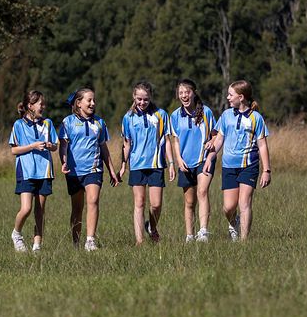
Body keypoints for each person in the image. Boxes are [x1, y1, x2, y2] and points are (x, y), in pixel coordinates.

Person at [204, 80, 271, 241]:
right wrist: (210, 158)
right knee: (228, 208)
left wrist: (266, 170)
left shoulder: (256, 118)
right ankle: (233, 223)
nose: (227, 97)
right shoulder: (226, 115)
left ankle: (244, 242)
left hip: (249, 165)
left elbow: (262, 145)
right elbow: (219, 139)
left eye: (230, 95)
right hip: (229, 166)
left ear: (241, 97)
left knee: (244, 203)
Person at [59, 87, 120, 251]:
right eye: (89, 100)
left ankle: (90, 240)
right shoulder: (67, 122)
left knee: (93, 201)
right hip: (74, 171)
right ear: (79, 103)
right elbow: (63, 146)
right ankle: (76, 243)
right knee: (77, 208)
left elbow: (104, 148)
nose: (93, 103)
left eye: (94, 100)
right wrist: (63, 162)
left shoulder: (99, 123)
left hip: (94, 170)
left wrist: (111, 170)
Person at [118, 81, 173, 246]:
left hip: (156, 164)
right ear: (134, 97)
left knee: (156, 204)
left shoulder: (161, 115)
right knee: (139, 202)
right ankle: (139, 241)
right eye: (139, 99)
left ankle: (152, 227)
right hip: (137, 165)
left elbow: (166, 141)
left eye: (146, 99)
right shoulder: (128, 117)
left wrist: (171, 163)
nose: (142, 102)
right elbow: (126, 144)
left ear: (151, 98)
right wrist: (123, 165)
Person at [168, 79, 217, 242]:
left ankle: (203, 232)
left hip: (204, 159)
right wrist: (178, 159)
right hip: (185, 162)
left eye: (187, 92)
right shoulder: (175, 115)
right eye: (181, 93)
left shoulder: (206, 112)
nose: (184, 95)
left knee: (202, 192)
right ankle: (189, 235)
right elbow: (175, 140)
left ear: (194, 93)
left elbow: (216, 134)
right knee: (189, 202)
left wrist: (212, 142)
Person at [9, 90, 59, 252]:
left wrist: (51, 146)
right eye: (40, 104)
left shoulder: (48, 123)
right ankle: (17, 234)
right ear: (30, 106)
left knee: (40, 211)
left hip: (44, 171)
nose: (43, 107)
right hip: (26, 172)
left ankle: (37, 246)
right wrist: (33, 146)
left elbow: (55, 146)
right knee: (26, 209)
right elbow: (14, 150)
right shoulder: (18, 125)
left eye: (43, 104)